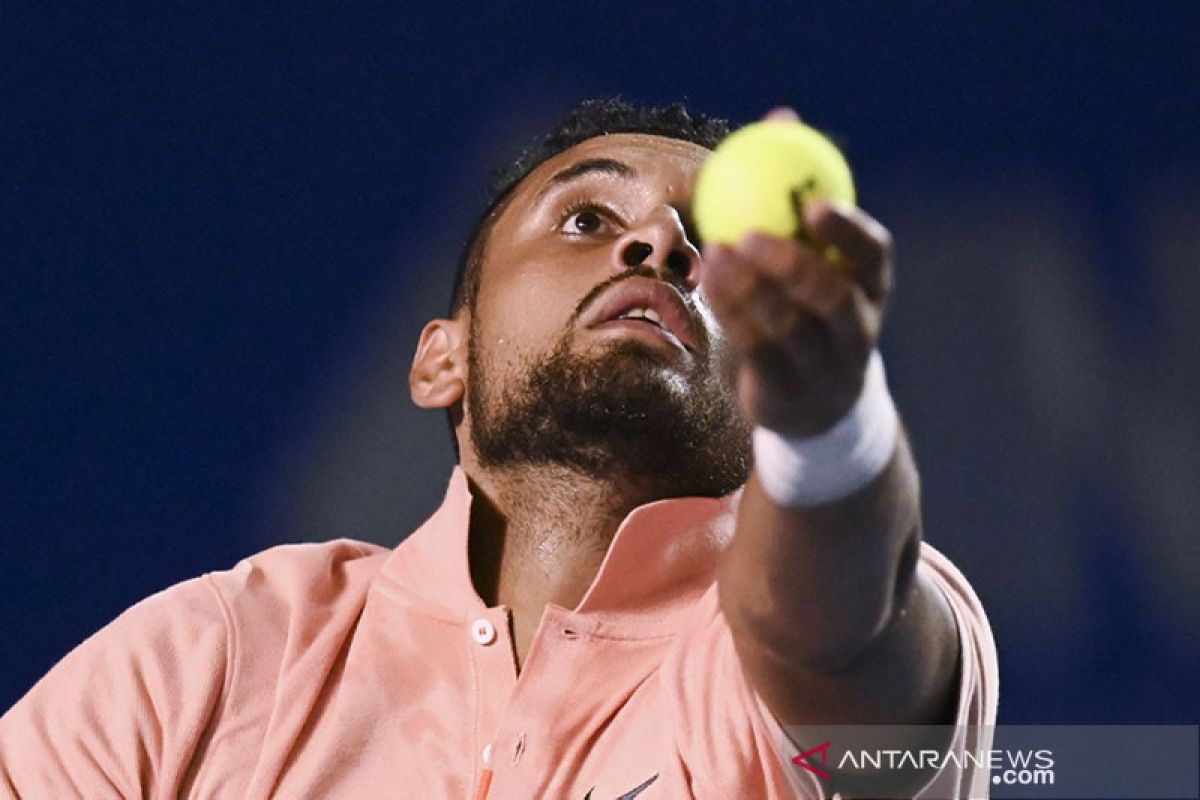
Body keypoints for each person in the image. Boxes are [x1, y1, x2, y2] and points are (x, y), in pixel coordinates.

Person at [0, 98, 998, 799]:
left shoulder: (793, 648)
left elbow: (844, 631)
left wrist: (829, 420)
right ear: (444, 357)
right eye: (587, 216)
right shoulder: (213, 655)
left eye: (708, 237)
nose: (658, 245)